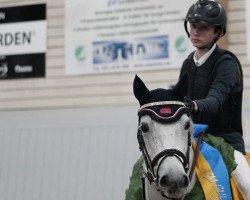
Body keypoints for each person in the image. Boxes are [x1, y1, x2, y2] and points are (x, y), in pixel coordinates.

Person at [179, 0, 246, 154]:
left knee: (245, 178)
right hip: (194, 139)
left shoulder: (226, 63)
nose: (196, 32)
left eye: (204, 28)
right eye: (193, 26)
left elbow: (215, 101)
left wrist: (194, 105)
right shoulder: (187, 63)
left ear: (218, 32)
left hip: (226, 142)